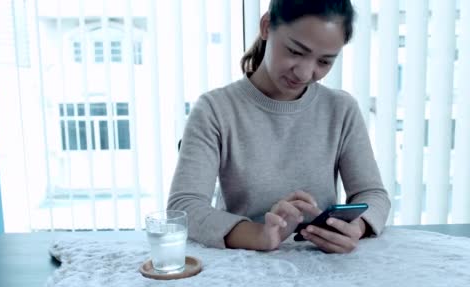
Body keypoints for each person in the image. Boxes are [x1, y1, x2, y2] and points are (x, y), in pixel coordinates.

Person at [167, 0, 390, 253]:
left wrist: (356, 228)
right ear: (266, 26)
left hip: (323, 267)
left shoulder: (341, 109)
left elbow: (373, 195)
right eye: (295, 51)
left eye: (325, 62)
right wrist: (259, 235)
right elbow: (184, 207)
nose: (306, 74)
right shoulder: (214, 110)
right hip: (244, 263)